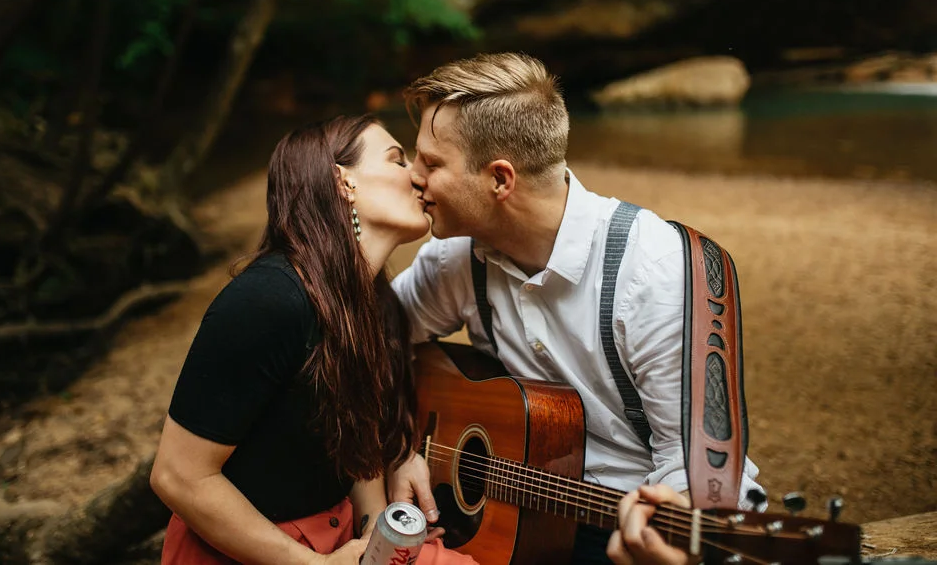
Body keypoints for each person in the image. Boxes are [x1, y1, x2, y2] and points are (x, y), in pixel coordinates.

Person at [387, 52, 764, 565]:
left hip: (627, 523)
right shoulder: (457, 259)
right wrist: (399, 446)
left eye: (431, 163)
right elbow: (368, 341)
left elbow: (693, 465)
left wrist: (669, 528)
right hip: (517, 520)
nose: (413, 177)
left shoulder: (656, 272)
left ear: (501, 179)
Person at [150, 115, 477, 565]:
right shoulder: (268, 300)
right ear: (341, 181)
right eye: (397, 159)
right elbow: (177, 476)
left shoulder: (377, 306)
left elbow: (358, 445)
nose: (418, 176)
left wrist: (378, 543)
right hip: (249, 548)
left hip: (338, 533)